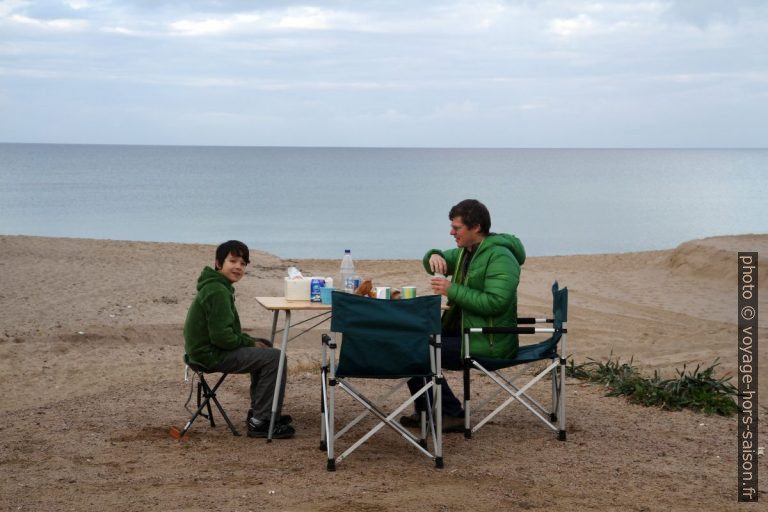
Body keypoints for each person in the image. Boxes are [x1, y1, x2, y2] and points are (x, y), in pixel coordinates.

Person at [402, 199, 526, 432]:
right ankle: (429, 411)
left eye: (456, 228)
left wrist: (451, 290)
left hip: (489, 340)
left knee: (417, 350)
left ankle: (451, 413)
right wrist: (433, 256)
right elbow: (436, 260)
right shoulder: (466, 252)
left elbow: (496, 303)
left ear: (476, 227)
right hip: (466, 333)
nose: (451, 232)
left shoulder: (501, 257)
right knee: (409, 339)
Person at [183, 240, 295, 439]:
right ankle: (262, 421)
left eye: (242, 263)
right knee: (275, 357)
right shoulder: (217, 291)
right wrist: (248, 342)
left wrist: (250, 341)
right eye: (233, 261)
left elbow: (224, 334)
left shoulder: (218, 286)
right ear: (218, 263)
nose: (238, 267)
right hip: (210, 354)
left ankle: (262, 412)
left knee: (266, 346)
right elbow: (222, 337)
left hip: (206, 350)